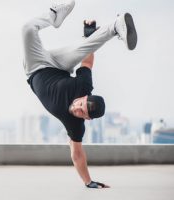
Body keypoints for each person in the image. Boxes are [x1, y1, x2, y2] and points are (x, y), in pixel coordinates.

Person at [21, 0, 137, 189]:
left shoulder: (75, 125)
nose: (76, 109)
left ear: (86, 119)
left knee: (27, 29)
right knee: (85, 46)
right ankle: (115, 26)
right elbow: (87, 62)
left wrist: (88, 182)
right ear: (84, 97)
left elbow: (77, 154)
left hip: (34, 67)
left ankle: (110, 28)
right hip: (59, 64)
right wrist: (88, 35)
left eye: (81, 112)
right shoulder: (83, 86)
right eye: (80, 105)